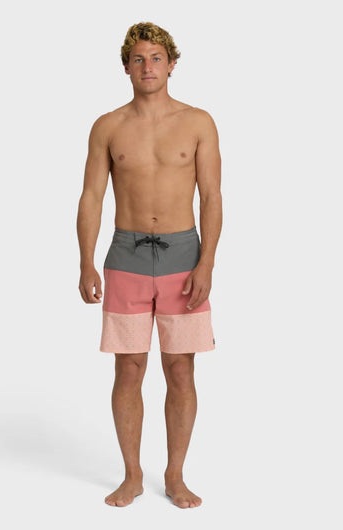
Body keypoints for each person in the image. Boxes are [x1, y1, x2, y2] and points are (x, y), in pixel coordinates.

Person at [76, 21, 222, 509]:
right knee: (129, 368)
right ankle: (132, 475)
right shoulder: (108, 126)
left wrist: (207, 263)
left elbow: (212, 196)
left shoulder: (198, 122)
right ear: (126, 67)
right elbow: (91, 196)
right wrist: (86, 262)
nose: (147, 67)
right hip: (126, 256)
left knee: (180, 369)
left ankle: (175, 475)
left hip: (183, 255)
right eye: (138, 59)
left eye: (156, 58)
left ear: (172, 64)